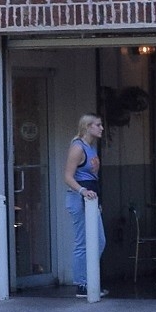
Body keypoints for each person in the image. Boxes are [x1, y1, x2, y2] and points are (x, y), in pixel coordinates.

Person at [63, 114, 106, 292]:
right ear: (87, 127)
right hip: (79, 198)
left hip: (91, 197)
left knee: (99, 240)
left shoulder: (91, 147)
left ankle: (90, 280)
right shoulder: (78, 147)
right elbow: (67, 176)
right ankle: (82, 284)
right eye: (98, 125)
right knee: (83, 241)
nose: (101, 128)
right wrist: (82, 191)